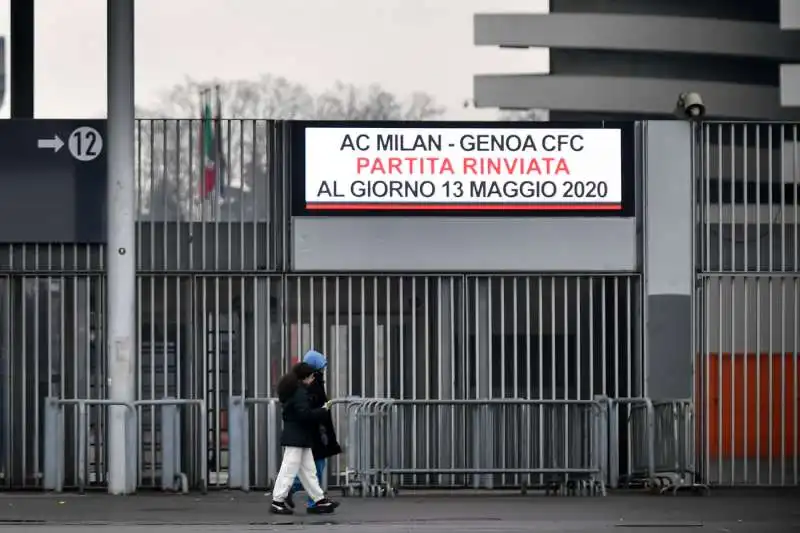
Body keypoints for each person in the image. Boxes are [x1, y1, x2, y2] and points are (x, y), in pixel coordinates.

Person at [270, 362, 339, 515]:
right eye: (312, 377)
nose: (313, 380)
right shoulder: (300, 392)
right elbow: (304, 415)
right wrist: (322, 411)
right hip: (298, 437)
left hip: (298, 437)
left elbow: (299, 413)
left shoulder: (293, 390)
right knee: (289, 469)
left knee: (308, 471)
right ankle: (277, 501)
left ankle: (319, 499)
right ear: (306, 377)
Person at [285, 350, 342, 510]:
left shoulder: (308, 383)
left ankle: (310, 499)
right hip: (316, 433)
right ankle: (308, 499)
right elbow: (312, 410)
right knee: (315, 468)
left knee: (313, 467)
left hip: (316, 432)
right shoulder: (312, 385)